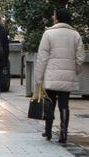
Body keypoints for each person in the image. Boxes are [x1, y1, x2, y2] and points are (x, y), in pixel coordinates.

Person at [35, 9, 86, 143]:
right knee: (64, 105)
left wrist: (39, 77)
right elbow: (80, 57)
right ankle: (63, 133)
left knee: (49, 103)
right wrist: (75, 70)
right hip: (67, 76)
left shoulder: (48, 34)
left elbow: (42, 58)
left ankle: (48, 130)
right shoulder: (75, 35)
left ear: (57, 18)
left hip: (51, 75)